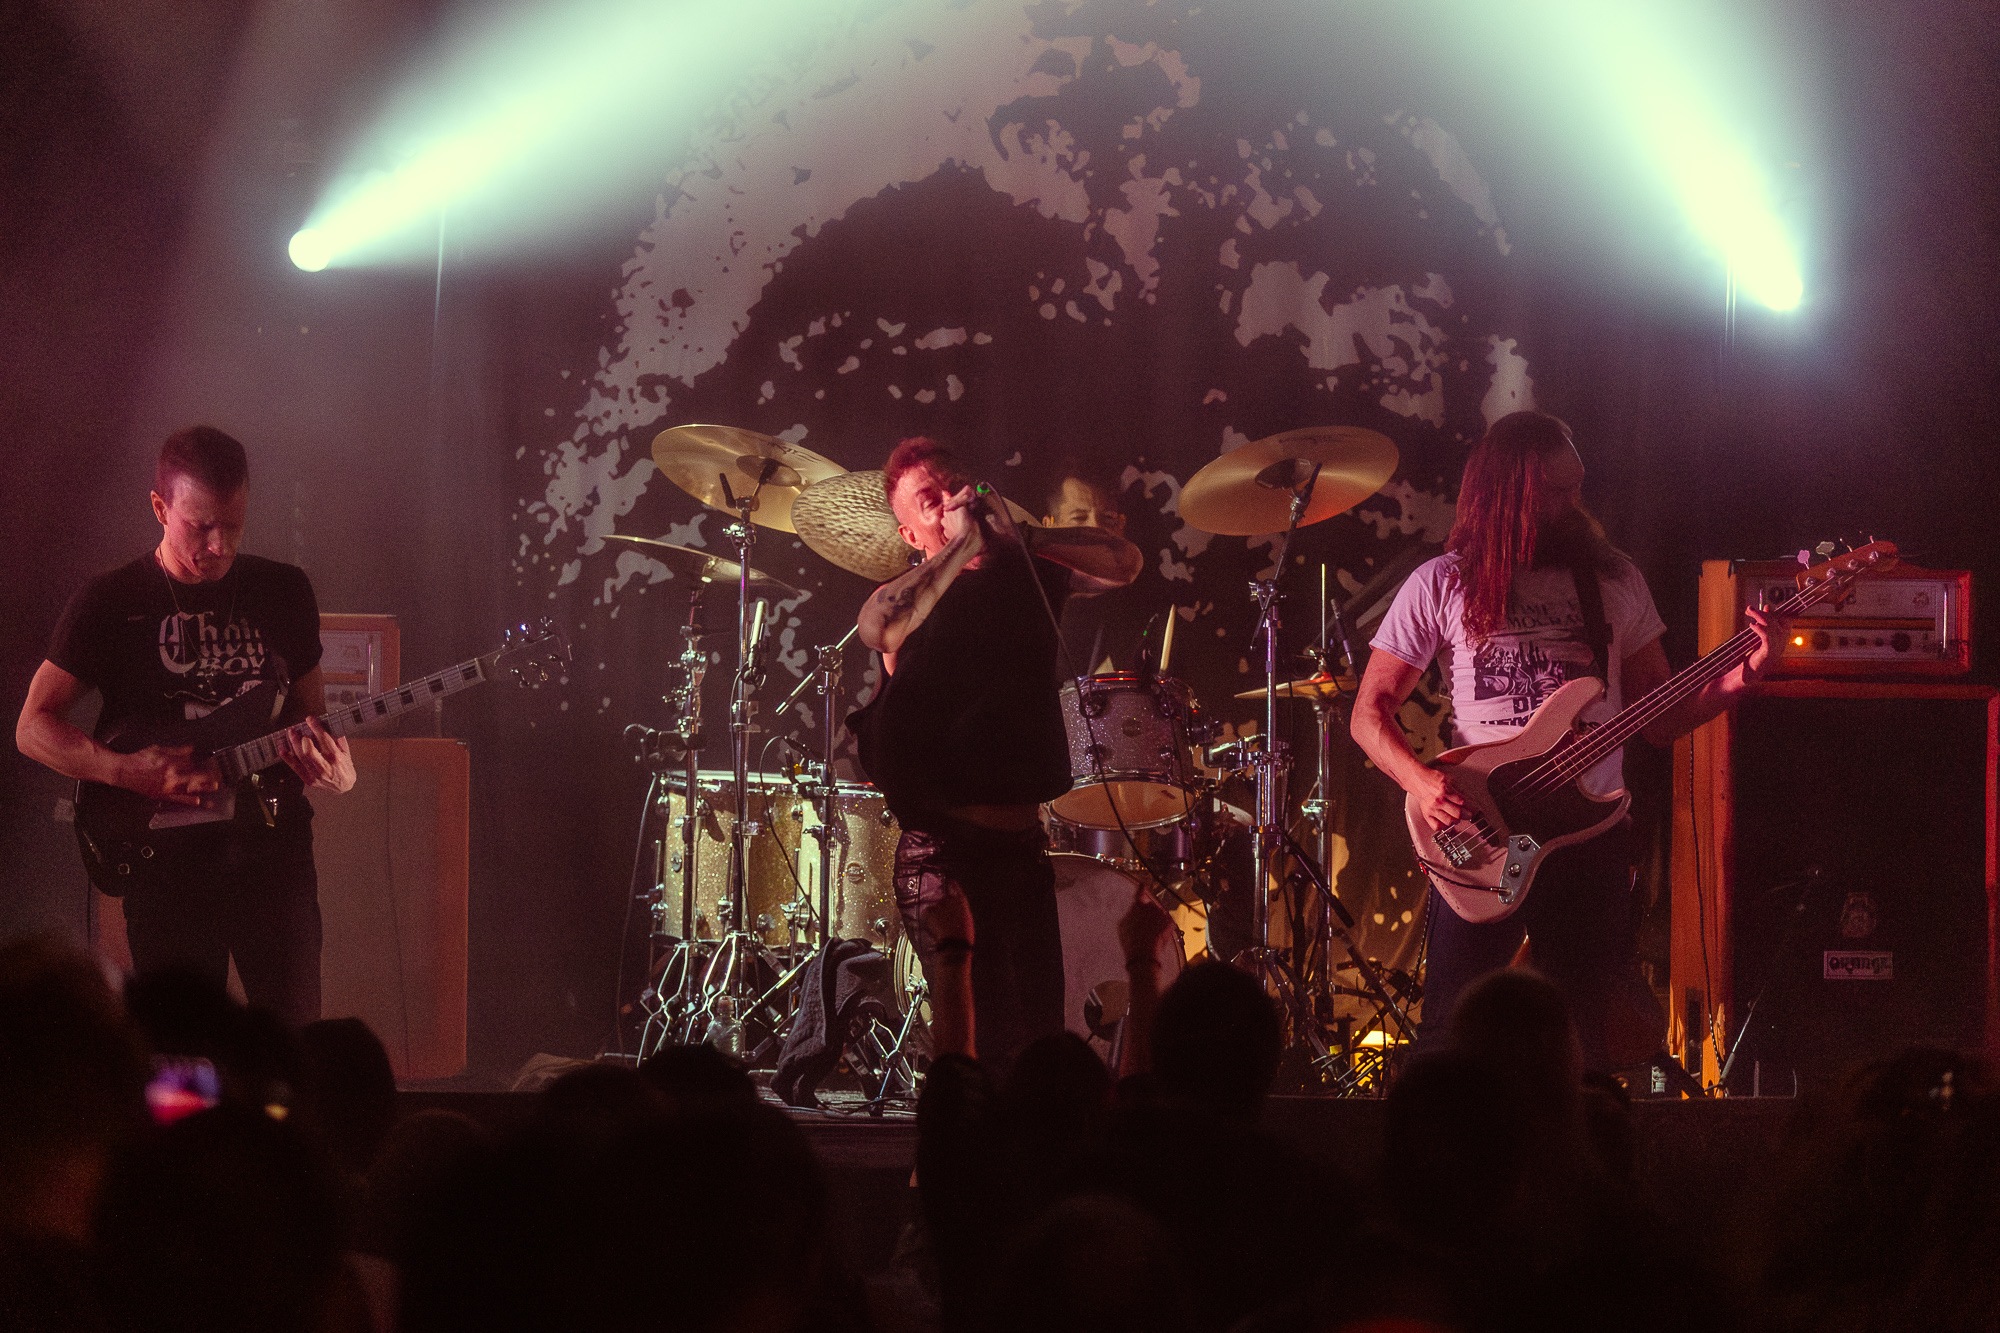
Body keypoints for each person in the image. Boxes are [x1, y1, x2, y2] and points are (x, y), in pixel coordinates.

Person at [1349, 409, 1781, 1069]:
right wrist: (1422, 782)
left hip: (1587, 835)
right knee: (1451, 1035)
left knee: (1585, 1040)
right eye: (1555, 491)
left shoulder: (1614, 579)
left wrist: (1738, 680)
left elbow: (1659, 718)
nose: (1572, 503)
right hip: (1483, 828)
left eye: (1576, 486)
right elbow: (1368, 713)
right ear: (1508, 494)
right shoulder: (1441, 582)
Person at [16, 425, 355, 1026]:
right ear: (159, 508)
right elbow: (32, 727)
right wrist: (127, 772)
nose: (219, 546)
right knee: (184, 1049)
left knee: (297, 1042)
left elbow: (312, 720)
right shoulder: (111, 600)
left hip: (273, 856)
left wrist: (339, 770)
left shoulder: (283, 590)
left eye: (234, 526)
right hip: (167, 867)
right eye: (200, 527)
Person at [849, 437, 1140, 1073]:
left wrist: (1020, 537)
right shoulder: (913, 597)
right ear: (909, 532)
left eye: (956, 484)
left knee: (1037, 1042)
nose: (950, 501)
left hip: (1021, 850)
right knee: (978, 1046)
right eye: (929, 499)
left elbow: (1124, 563)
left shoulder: (1029, 573)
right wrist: (960, 548)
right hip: (946, 855)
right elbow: (879, 628)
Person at [1040, 460, 1155, 676]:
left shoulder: (1147, 611)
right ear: (1049, 526)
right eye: (1079, 517)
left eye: (1107, 519)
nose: (1095, 527)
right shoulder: (1031, 600)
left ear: (1121, 526)